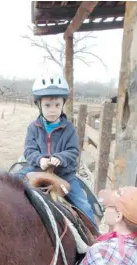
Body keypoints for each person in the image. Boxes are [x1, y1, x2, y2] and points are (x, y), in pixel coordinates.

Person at [22, 73, 96, 226]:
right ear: (39, 105)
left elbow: (73, 150)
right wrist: (39, 159)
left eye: (57, 105)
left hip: (64, 175)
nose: (52, 110)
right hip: (36, 170)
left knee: (84, 206)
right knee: (11, 190)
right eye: (47, 105)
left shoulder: (69, 128)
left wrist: (61, 158)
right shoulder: (33, 128)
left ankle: (93, 238)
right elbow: (29, 150)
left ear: (63, 104)